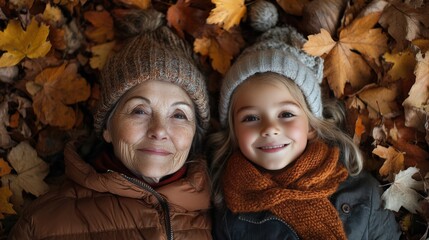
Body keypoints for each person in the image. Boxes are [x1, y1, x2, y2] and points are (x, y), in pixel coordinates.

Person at [9, 9, 212, 240]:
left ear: (195, 133)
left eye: (179, 115)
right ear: (107, 128)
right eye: (139, 110)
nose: (159, 130)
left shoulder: (226, 221)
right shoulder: (42, 225)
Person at [208, 24, 401, 240]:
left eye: (286, 114)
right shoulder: (229, 213)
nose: (270, 129)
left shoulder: (363, 194)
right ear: (234, 133)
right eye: (251, 118)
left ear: (311, 127)